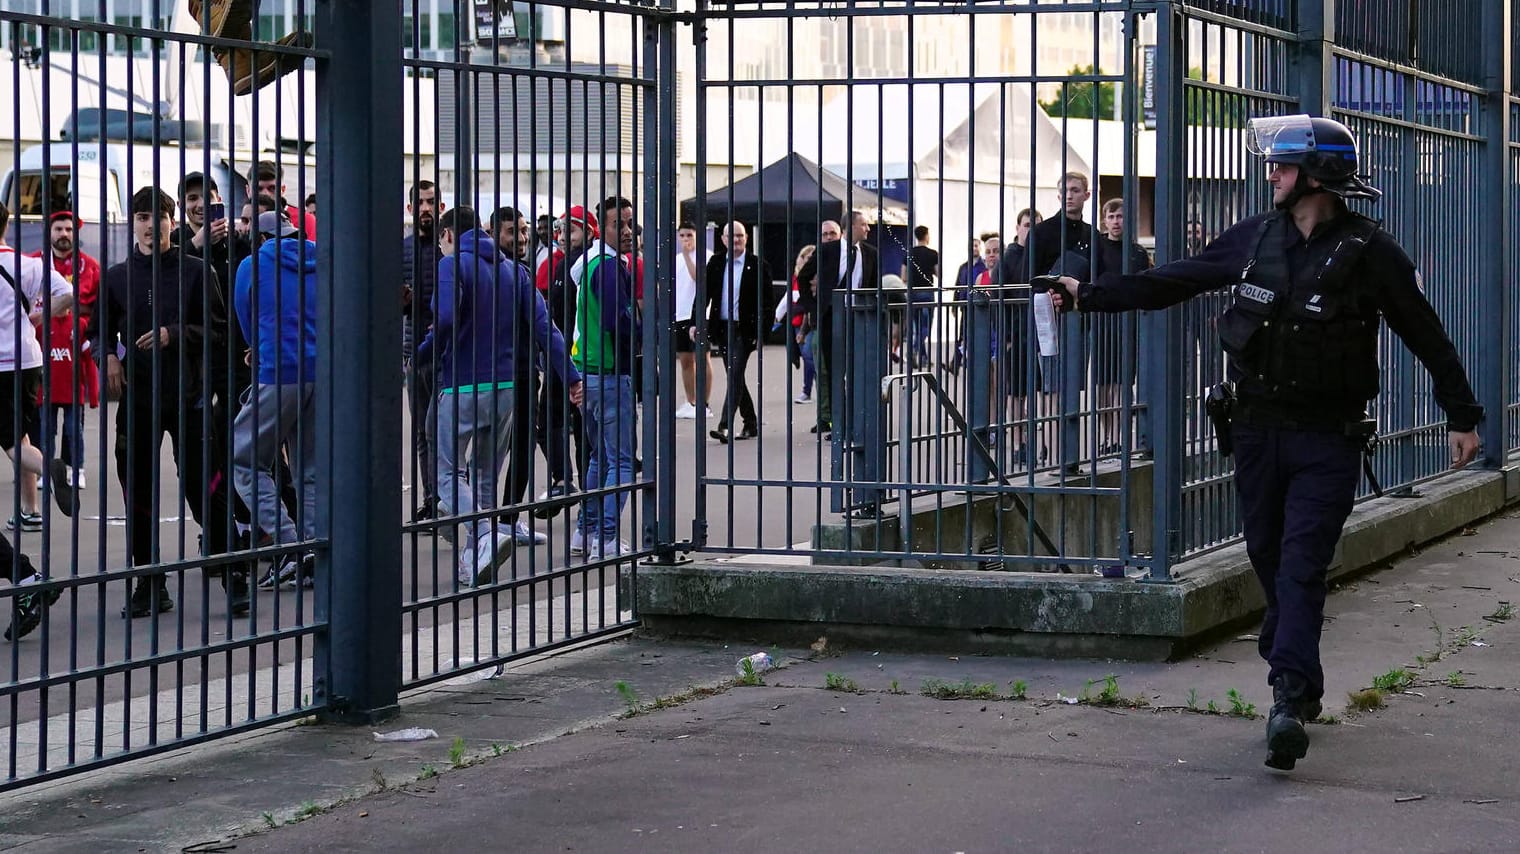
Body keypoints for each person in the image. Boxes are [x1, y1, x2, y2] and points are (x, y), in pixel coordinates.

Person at [1049, 114, 1483, 772]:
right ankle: (1295, 665)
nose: (1270, 174)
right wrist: (1091, 295)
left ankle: (1285, 698)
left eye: (1282, 165)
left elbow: (1425, 333)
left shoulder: (1371, 251)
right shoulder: (1256, 237)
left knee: (1302, 562)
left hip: (1328, 438)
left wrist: (1462, 414)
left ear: (1317, 176)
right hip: (1254, 430)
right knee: (1267, 551)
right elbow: (1179, 278)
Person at [91, 187, 246, 618]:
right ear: (132, 224)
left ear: (171, 222)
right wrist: (107, 357)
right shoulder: (117, 277)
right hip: (138, 398)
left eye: (157, 216)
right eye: (141, 217)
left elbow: (219, 331)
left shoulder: (197, 271)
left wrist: (173, 334)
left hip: (189, 396)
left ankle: (233, 571)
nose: (149, 224)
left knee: (205, 485)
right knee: (137, 489)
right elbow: (97, 328)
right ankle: (149, 581)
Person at [418, 207, 582, 585]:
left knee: (446, 472)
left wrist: (426, 355)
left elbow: (443, 319)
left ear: (446, 235)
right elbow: (546, 327)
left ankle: (484, 534)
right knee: (485, 474)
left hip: (461, 383)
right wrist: (570, 375)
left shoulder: (453, 264)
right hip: (506, 385)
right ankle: (475, 556)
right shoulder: (515, 270)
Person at [0, 201, 78, 641]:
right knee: (18, 437)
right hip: (28, 362)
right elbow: (66, 295)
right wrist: (41, 313)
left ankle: (47, 465)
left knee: (14, 443)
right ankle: (44, 467)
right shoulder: (27, 264)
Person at [232, 211, 319, 589]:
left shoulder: (252, 264)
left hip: (278, 372)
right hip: (321, 372)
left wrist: (259, 347)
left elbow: (245, 316)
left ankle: (288, 542)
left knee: (244, 459)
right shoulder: (321, 256)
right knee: (311, 469)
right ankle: (317, 547)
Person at [564, 204, 639, 559]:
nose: (626, 230)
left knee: (598, 459)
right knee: (621, 461)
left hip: (588, 371)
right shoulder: (608, 267)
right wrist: (638, 336)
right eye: (617, 225)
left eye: (628, 223)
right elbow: (616, 320)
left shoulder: (590, 263)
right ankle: (606, 538)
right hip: (609, 373)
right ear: (601, 229)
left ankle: (586, 529)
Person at [488, 206, 549, 545]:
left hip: (525, 371)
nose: (523, 237)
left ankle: (506, 519)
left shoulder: (524, 270)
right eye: (514, 231)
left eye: (524, 230)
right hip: (495, 373)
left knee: (523, 446)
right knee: (488, 451)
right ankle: (485, 524)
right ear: (494, 233)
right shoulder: (493, 271)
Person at [29, 211, 101, 492]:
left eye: (69, 229)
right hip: (37, 350)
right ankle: (37, 468)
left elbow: (94, 311)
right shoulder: (33, 263)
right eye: (59, 228)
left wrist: (53, 307)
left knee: (74, 426)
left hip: (71, 349)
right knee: (39, 421)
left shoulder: (91, 267)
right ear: (49, 231)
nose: (64, 234)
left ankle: (74, 468)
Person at [796, 211, 878, 436]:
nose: (868, 229)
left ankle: (855, 422)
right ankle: (838, 423)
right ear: (850, 227)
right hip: (831, 318)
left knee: (857, 371)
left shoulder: (870, 254)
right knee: (834, 372)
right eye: (864, 225)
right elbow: (803, 277)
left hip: (859, 318)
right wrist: (813, 308)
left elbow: (874, 287)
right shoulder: (827, 251)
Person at [1091, 198, 1152, 455]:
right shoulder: (1097, 248)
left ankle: (1116, 436)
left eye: (1120, 217)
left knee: (1122, 382)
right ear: (1104, 220)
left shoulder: (1137, 252)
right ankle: (1108, 435)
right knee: (1103, 384)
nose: (1116, 222)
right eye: (1111, 216)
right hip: (1102, 320)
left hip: (1128, 322)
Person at [698, 221, 769, 444]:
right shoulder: (716, 262)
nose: (736, 240)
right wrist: (695, 322)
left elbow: (768, 303)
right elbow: (704, 295)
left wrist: (763, 333)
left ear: (747, 238)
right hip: (723, 327)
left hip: (746, 329)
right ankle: (751, 422)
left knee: (736, 372)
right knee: (735, 375)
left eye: (740, 236)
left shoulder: (758, 265)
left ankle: (724, 425)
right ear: (723, 239)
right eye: (732, 236)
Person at [403, 181, 444, 522]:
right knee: (422, 432)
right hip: (415, 351)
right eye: (421, 203)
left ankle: (449, 496)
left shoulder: (448, 248)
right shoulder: (402, 249)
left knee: (445, 429)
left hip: (447, 352)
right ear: (411, 209)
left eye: (432, 202)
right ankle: (432, 499)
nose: (426, 208)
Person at [672, 223, 712, 419]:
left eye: (689, 235)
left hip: (699, 313)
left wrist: (688, 255)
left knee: (702, 357)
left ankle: (703, 402)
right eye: (682, 235)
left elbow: (698, 277)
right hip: (680, 313)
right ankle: (691, 401)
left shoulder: (706, 255)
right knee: (685, 360)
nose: (686, 239)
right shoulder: (676, 259)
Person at [781, 245, 817, 404]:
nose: (805, 260)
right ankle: (810, 388)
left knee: (809, 355)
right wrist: (777, 315)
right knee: (805, 357)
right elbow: (787, 298)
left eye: (809, 258)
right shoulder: (796, 278)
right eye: (804, 257)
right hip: (796, 323)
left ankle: (808, 390)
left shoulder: (813, 277)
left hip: (809, 322)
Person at [248, 161, 316, 242]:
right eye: (258, 188)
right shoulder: (243, 221)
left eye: (272, 188)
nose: (265, 193)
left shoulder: (304, 220)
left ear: (282, 190)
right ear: (248, 190)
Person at [902, 225, 940, 369]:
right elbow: (938, 273)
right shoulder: (932, 254)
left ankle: (923, 358)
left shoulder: (908, 253)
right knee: (925, 326)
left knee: (917, 326)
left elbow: (903, 276)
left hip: (912, 293)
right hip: (926, 293)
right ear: (926, 235)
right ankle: (913, 350)